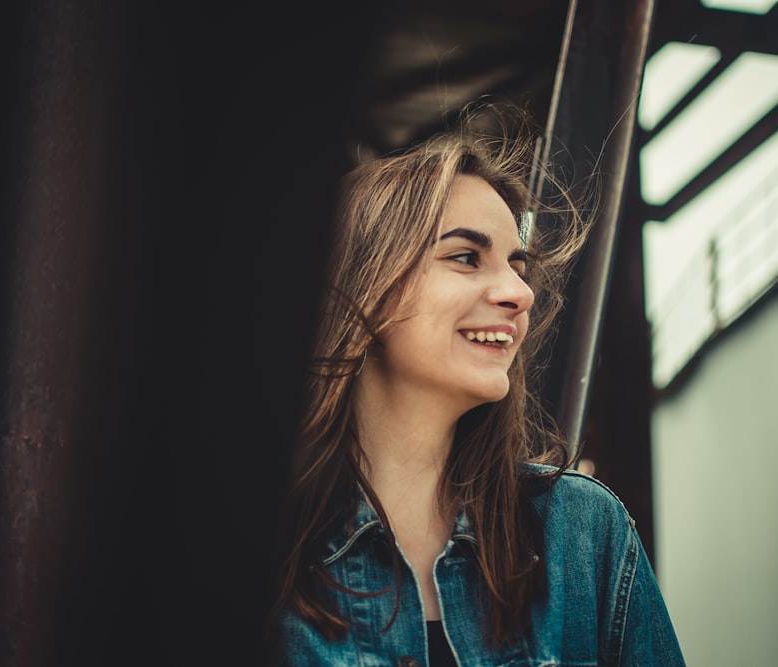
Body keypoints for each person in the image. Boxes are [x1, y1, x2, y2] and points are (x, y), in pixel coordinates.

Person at [268, 101, 685, 666]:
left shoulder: (581, 534)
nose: (520, 293)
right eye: (466, 257)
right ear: (365, 285)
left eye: (517, 264)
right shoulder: (245, 547)